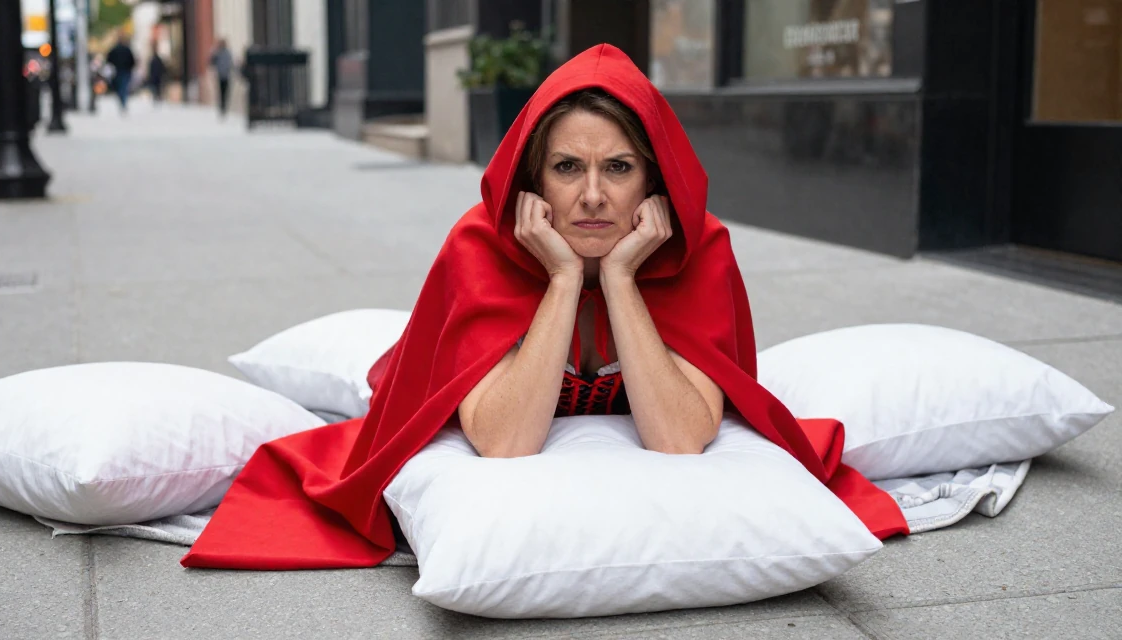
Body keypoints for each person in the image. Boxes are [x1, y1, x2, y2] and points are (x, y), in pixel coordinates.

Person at [182, 44, 908, 571]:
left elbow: (683, 439)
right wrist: (564, 280)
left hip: (628, 283)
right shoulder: (478, 248)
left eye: (618, 169)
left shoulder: (699, 251)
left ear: (654, 184)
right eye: (567, 168)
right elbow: (503, 443)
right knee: (374, 366)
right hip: (443, 368)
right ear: (534, 180)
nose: (592, 195)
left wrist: (620, 280)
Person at [105, 35, 136, 113]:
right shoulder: (127, 49)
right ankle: (123, 102)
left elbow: (108, 59)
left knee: (120, 87)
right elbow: (132, 60)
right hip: (125, 71)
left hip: (118, 71)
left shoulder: (114, 50)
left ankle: (122, 102)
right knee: (123, 87)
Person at [209, 39, 234, 119]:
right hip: (220, 76)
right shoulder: (218, 53)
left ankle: (224, 108)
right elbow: (211, 61)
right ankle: (222, 108)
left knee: (225, 93)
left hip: (226, 76)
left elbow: (231, 63)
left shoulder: (227, 53)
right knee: (221, 93)